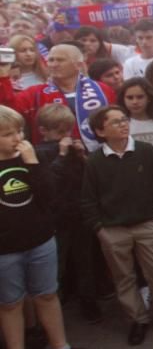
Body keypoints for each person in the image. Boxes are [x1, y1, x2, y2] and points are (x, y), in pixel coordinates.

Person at [81, 105, 153, 346]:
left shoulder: (145, 151)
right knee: (124, 277)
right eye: (115, 122)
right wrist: (100, 228)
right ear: (100, 131)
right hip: (112, 229)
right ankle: (137, 320)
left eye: (124, 120)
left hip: (146, 224)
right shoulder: (95, 161)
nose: (123, 124)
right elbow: (88, 199)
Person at [0, 105, 81, 349]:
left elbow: (49, 196)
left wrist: (32, 163)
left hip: (40, 241)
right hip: (5, 249)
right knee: (10, 304)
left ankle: (60, 344)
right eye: (8, 134)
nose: (18, 138)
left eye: (19, 132)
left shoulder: (33, 156)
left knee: (47, 295)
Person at [33, 104, 104, 324]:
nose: (63, 137)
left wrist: (82, 156)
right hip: (54, 217)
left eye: (66, 131)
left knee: (85, 260)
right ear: (43, 130)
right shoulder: (38, 152)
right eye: (57, 131)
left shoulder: (75, 150)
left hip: (79, 213)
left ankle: (88, 300)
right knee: (57, 263)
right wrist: (62, 155)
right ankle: (53, 303)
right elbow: (48, 182)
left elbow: (90, 178)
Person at [0, 44, 116, 150]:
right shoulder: (35, 93)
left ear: (78, 65)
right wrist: (3, 77)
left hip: (101, 155)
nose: (54, 64)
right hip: (52, 161)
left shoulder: (102, 89)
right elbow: (7, 110)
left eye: (60, 60)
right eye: (51, 60)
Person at [118, 78, 153, 146]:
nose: (135, 102)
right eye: (130, 98)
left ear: (149, 98)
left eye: (140, 97)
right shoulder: (121, 123)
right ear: (123, 99)